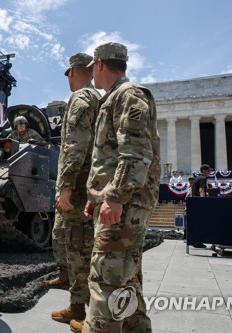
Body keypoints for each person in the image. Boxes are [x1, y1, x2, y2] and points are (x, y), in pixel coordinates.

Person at [80, 42, 160, 333]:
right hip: (120, 198)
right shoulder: (115, 98)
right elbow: (110, 158)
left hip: (125, 200)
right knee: (126, 279)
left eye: (92, 69)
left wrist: (114, 197)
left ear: (100, 65)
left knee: (108, 278)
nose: (91, 75)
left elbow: (135, 153)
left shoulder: (128, 95)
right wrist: (96, 196)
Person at [49, 53, 101, 327]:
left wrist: (66, 186)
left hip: (79, 188)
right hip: (89, 185)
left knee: (79, 249)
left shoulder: (81, 98)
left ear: (71, 71)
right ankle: (78, 305)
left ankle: (86, 312)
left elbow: (74, 145)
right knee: (79, 247)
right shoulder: (96, 98)